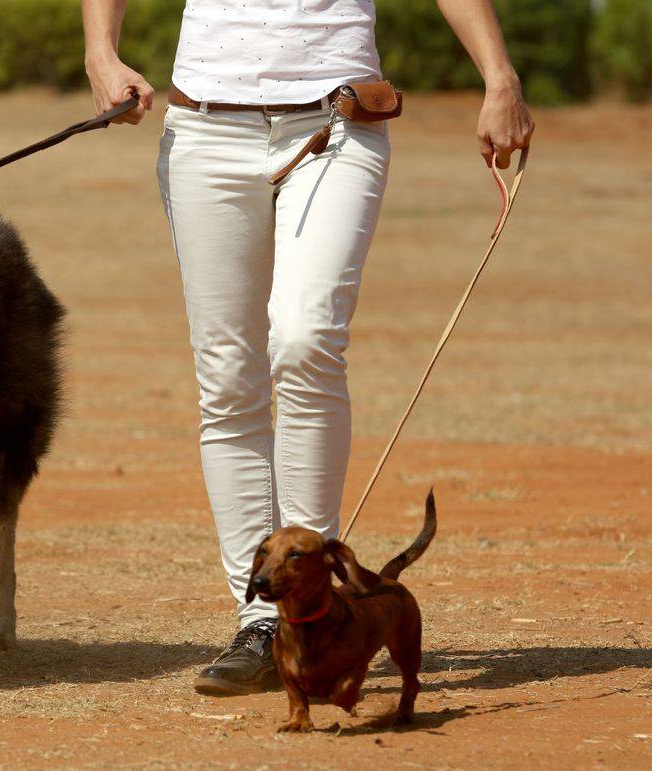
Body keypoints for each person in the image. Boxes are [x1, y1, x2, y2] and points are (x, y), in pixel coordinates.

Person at [82, 0, 533, 695]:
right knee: (229, 376)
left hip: (338, 119)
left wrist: (499, 78)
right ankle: (260, 623)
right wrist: (101, 54)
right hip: (203, 128)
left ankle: (314, 605)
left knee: (305, 339)